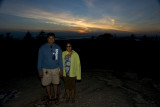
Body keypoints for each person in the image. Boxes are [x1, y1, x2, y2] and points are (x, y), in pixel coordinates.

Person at [37, 33, 63, 105]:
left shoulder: (57, 48)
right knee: (47, 84)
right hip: (45, 70)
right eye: (49, 38)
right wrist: (39, 70)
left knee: (55, 84)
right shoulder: (42, 48)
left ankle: (55, 97)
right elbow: (39, 60)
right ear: (47, 39)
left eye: (52, 38)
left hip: (55, 69)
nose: (51, 40)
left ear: (54, 39)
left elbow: (60, 59)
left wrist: (61, 69)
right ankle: (49, 97)